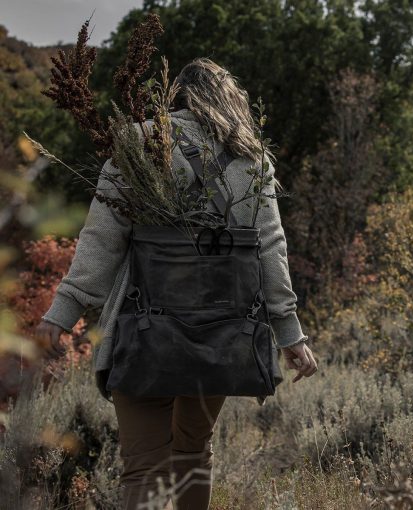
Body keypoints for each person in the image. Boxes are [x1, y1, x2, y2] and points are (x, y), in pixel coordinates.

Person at [35, 57, 318, 510]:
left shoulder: (138, 141)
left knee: (144, 465)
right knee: (192, 455)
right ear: (229, 99)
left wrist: (61, 313)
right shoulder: (252, 160)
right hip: (223, 334)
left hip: (145, 329)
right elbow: (270, 249)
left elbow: (101, 243)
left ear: (175, 95)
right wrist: (290, 334)